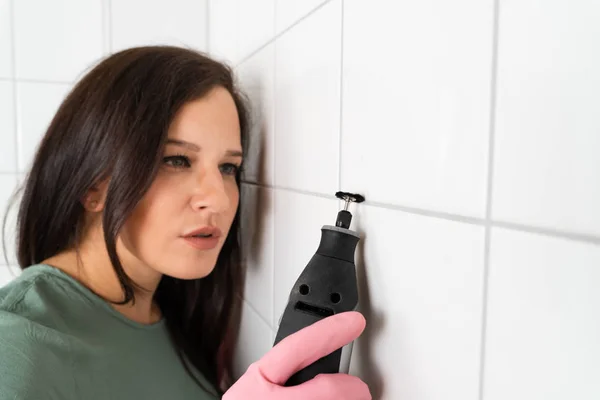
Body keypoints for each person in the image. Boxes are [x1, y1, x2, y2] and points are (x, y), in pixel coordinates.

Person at [0, 45, 371, 399]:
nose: (219, 199)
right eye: (176, 160)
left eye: (228, 167)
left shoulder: (171, 315)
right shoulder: (17, 344)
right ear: (92, 185)